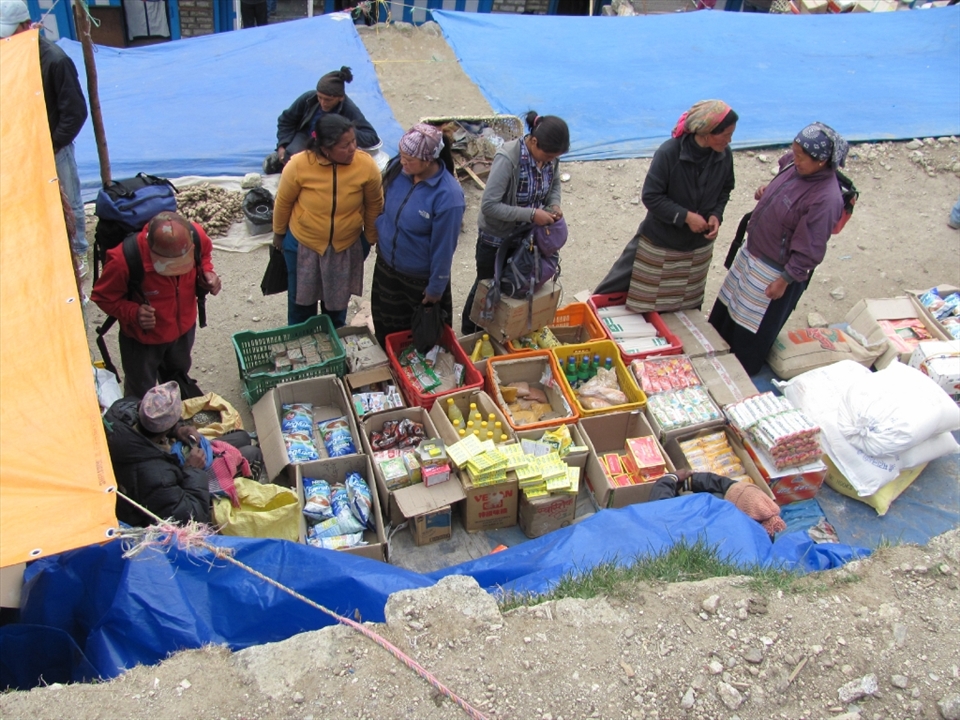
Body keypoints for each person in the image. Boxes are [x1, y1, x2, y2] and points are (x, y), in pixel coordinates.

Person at [708, 122, 847, 375]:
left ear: (822, 161)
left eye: (800, 157)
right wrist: (768, 191)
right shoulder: (796, 167)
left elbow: (811, 249)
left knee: (748, 327)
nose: (794, 159)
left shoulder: (825, 199)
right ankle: (711, 354)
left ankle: (735, 374)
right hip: (753, 254)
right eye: (793, 153)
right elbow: (785, 190)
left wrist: (784, 280)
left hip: (774, 270)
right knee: (729, 308)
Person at [595, 100, 737, 312]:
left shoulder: (724, 155)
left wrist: (716, 214)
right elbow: (651, 196)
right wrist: (686, 217)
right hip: (660, 242)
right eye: (725, 135)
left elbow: (726, 188)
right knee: (616, 293)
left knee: (684, 306)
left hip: (696, 249)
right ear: (706, 132)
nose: (729, 140)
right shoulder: (669, 153)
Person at [91, 211, 222, 398]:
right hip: (142, 342)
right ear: (150, 248)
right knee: (141, 393)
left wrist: (207, 273)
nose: (175, 271)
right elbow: (102, 296)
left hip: (183, 332)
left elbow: (205, 256)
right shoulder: (124, 259)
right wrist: (133, 313)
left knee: (177, 381)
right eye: (168, 265)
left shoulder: (197, 236)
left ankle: (176, 420)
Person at [460, 111, 569, 334]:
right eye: (547, 156)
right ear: (534, 141)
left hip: (527, 239)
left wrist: (554, 205)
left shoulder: (550, 160)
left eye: (554, 158)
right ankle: (470, 332)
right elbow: (489, 206)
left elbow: (554, 186)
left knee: (513, 286)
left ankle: (500, 329)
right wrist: (531, 214)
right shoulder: (508, 158)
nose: (549, 161)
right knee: (488, 284)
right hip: (496, 237)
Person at [272, 114, 383, 328]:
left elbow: (374, 204)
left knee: (336, 307)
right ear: (325, 148)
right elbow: (283, 202)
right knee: (301, 307)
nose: (353, 148)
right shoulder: (299, 164)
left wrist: (368, 238)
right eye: (345, 145)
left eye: (353, 141)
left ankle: (334, 349)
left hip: (345, 246)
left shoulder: (365, 166)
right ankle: (302, 347)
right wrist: (279, 234)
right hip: (304, 246)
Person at [1, 0, 89, 265]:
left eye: (10, 33)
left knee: (70, 203)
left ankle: (80, 251)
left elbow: (75, 114)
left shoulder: (55, 60)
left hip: (55, 146)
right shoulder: (9, 55)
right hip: (23, 143)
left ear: (28, 27)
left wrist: (51, 145)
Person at [371, 124, 465, 347]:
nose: (402, 162)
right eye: (401, 156)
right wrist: (380, 228)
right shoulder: (398, 170)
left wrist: (435, 289)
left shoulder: (448, 197)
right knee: (386, 329)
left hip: (418, 281)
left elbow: (444, 249)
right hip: (386, 268)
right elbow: (384, 206)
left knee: (420, 339)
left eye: (409, 159)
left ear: (429, 160)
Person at [105, 382, 212, 527]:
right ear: (164, 431)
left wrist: (178, 429)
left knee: (241, 438)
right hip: (146, 515)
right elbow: (193, 519)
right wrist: (193, 470)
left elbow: (151, 422)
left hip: (152, 488)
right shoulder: (157, 476)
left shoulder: (119, 411)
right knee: (247, 452)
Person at [263, 66, 380, 174]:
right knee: (292, 159)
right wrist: (282, 146)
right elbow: (286, 120)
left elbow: (371, 138)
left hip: (330, 145)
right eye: (320, 97)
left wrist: (345, 130)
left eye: (328, 100)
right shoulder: (309, 99)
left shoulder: (349, 109)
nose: (323, 103)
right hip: (307, 136)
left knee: (325, 168)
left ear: (340, 98)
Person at [649, 469, 786, 537]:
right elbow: (727, 487)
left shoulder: (707, 531)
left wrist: (670, 479)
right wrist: (691, 481)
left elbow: (661, 511)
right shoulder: (765, 530)